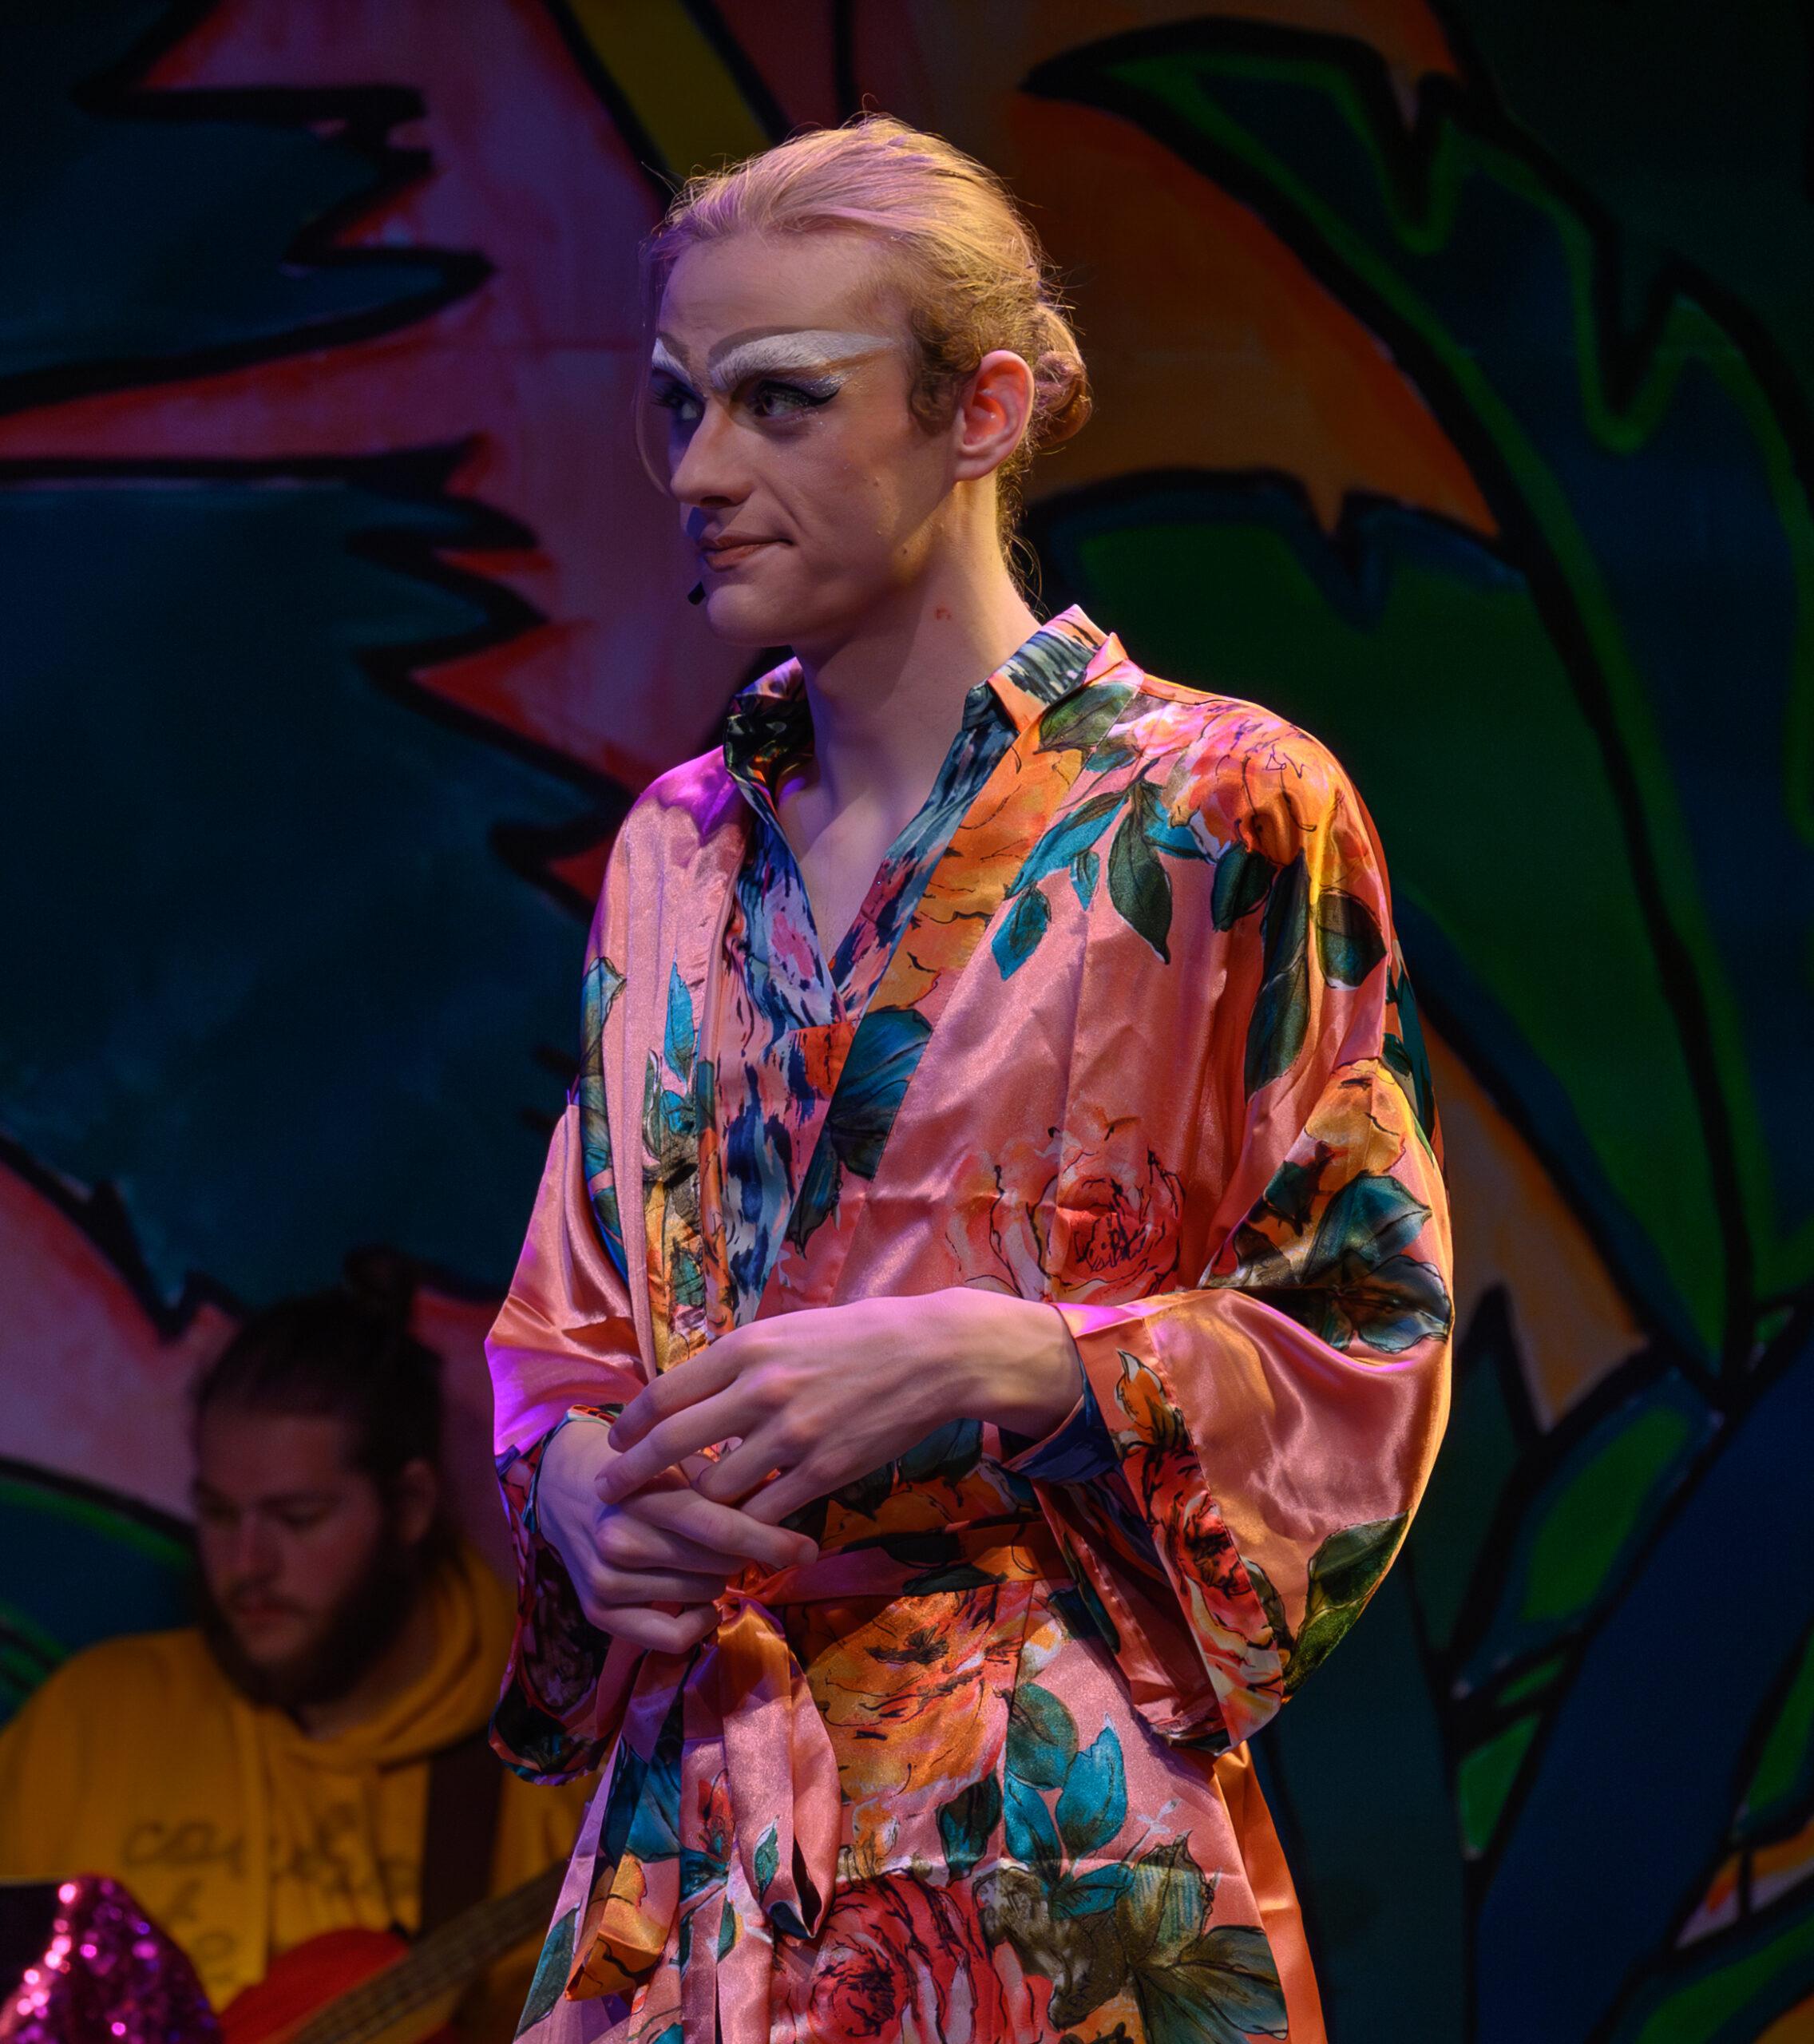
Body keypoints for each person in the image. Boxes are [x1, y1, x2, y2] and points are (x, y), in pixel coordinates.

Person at [487, 115, 1452, 2044]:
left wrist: (1010, 1357)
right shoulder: (676, 846)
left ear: (980, 411)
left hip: (1038, 1833)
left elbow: (1364, 1320)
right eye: (679, 403)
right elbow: (565, 1335)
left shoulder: (1217, 808)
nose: (700, 470)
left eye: (780, 400)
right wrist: (580, 1486)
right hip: (699, 1833)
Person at [0, 1276, 589, 2040]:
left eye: (297, 1517)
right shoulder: (88, 1721)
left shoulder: (549, 1769)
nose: (246, 1563)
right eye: (218, 1514)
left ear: (411, 1506)